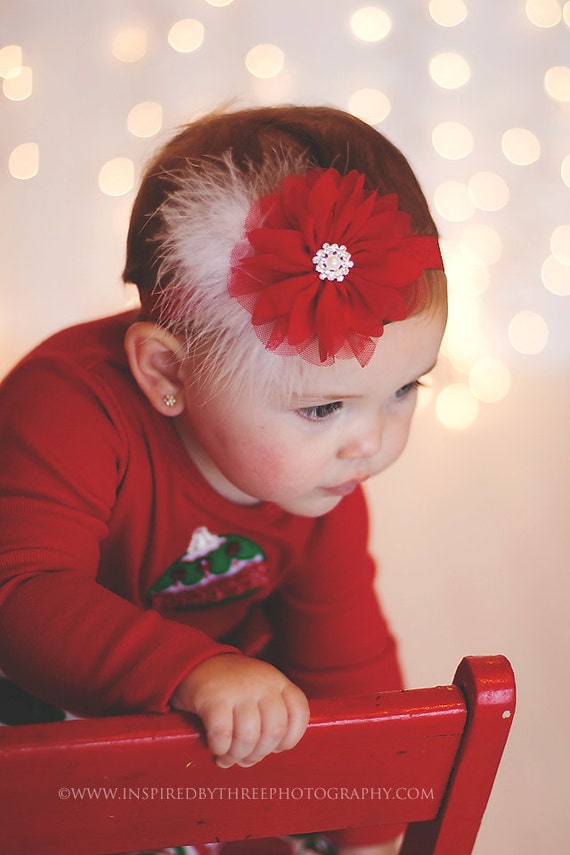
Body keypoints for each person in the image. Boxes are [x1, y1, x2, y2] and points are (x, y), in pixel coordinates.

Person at [0, 105, 447, 855]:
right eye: (324, 407)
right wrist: (193, 668)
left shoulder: (319, 481)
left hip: (189, 728)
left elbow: (345, 657)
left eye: (405, 389)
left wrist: (370, 828)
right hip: (38, 701)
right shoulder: (67, 406)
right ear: (169, 374)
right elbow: (19, 592)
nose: (370, 443)